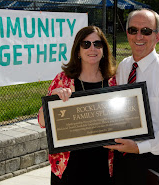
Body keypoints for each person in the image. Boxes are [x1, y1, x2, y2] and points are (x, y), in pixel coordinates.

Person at [104, 9, 159, 185]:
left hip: (154, 160)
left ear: (157, 36)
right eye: (133, 30)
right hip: (122, 159)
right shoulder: (124, 67)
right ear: (127, 34)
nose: (139, 36)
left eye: (146, 31)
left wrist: (139, 147)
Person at [38, 26, 116, 185]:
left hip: (104, 164)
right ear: (78, 51)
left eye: (97, 44)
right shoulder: (63, 80)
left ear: (104, 49)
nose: (92, 48)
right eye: (86, 44)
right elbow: (42, 122)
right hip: (69, 166)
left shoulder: (114, 81)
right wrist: (53, 100)